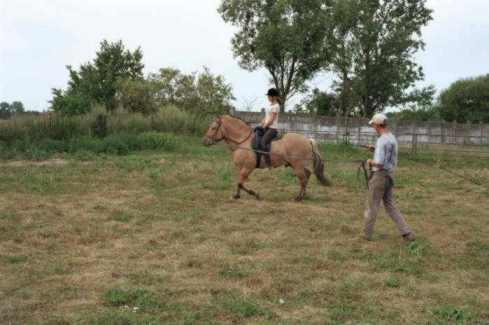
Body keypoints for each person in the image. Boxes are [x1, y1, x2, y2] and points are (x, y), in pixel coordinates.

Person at [363, 113, 416, 242]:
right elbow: (388, 154)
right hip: (390, 176)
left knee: (372, 205)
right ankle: (407, 233)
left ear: (377, 124)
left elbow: (380, 163)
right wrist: (374, 149)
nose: (373, 127)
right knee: (390, 205)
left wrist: (370, 161)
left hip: (380, 176)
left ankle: (367, 235)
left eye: (373, 125)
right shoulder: (392, 138)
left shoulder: (381, 140)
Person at [259, 88, 280, 167]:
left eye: (269, 96)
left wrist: (264, 126)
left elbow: (271, 120)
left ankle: (268, 164)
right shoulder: (270, 105)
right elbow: (267, 117)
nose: (267, 97)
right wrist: (261, 123)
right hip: (267, 127)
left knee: (263, 142)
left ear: (273, 97)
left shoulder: (276, 106)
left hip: (272, 129)